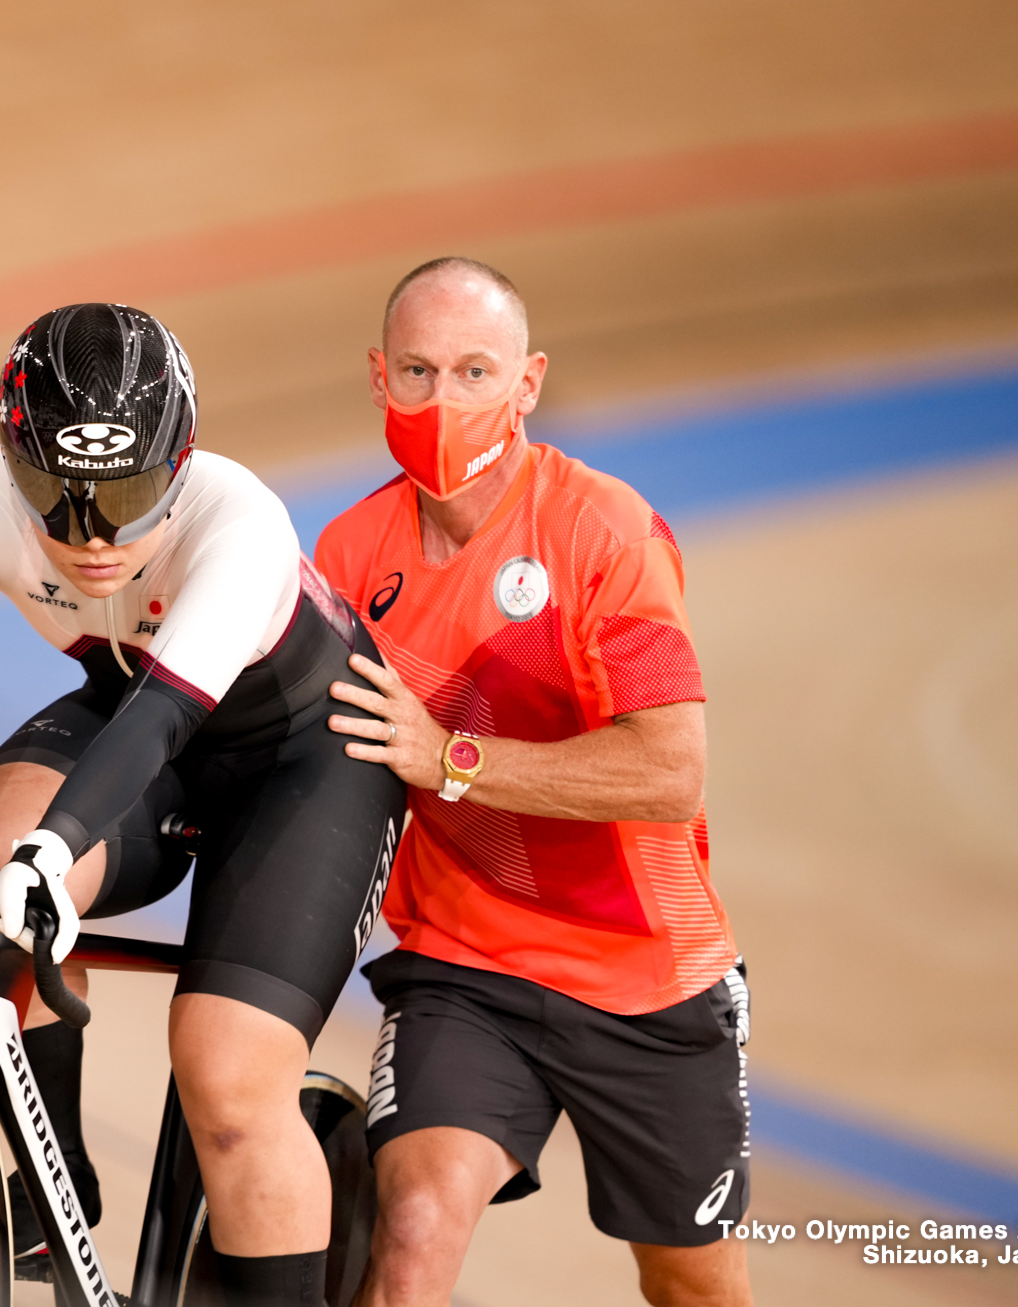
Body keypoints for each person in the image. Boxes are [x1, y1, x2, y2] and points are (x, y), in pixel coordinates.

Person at [0, 303, 406, 1307]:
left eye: (127, 494)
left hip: (305, 755)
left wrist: (57, 852)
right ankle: (46, 1188)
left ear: (180, 464)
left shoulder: (241, 520)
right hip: (138, 710)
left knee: (226, 1078)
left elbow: (159, 721)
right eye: (53, 499)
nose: (89, 536)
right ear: (11, 459)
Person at [314, 259, 753, 1307]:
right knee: (411, 1236)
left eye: (474, 371)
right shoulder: (345, 552)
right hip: (465, 970)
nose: (440, 401)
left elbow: (670, 768)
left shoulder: (606, 532)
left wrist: (451, 760)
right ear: (378, 375)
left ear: (528, 382)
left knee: (694, 1288)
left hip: (649, 979)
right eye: (416, 370)